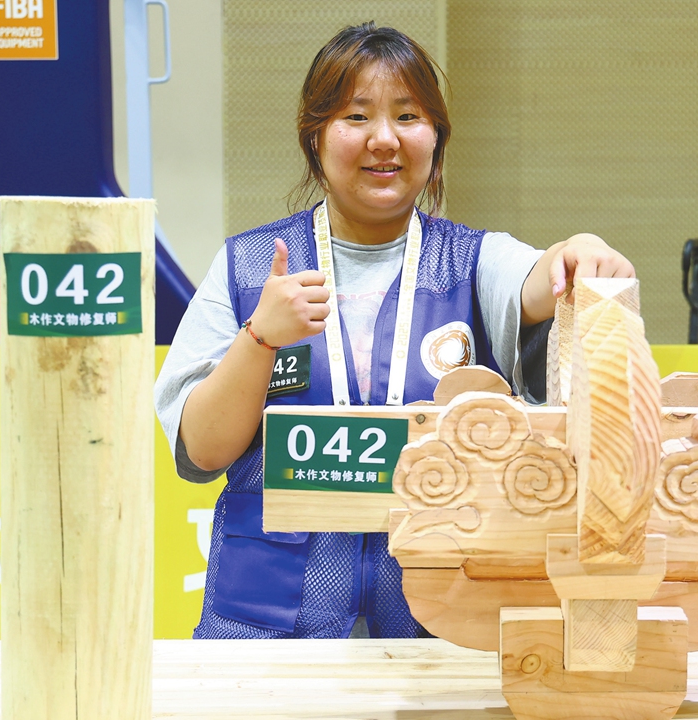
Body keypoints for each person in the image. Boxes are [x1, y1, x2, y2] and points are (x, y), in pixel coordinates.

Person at [155, 22, 635, 640]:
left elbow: (542, 280)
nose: (385, 138)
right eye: (357, 116)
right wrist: (259, 339)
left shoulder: (473, 261)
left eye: (408, 116)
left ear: (435, 138)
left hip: (436, 629)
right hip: (266, 627)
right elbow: (202, 450)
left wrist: (580, 249)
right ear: (315, 136)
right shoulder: (249, 267)